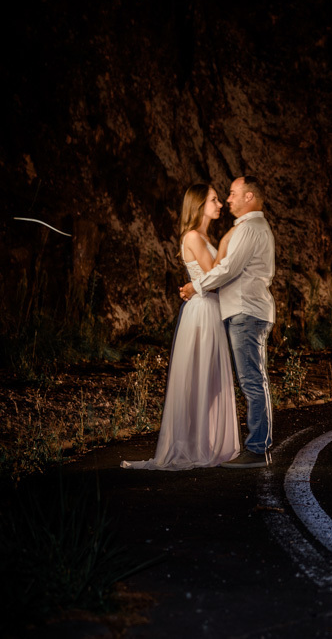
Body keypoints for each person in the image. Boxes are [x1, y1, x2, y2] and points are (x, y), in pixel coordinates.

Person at [122, 184, 240, 470]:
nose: (220, 204)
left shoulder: (204, 236)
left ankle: (203, 440)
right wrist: (233, 238)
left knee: (210, 379)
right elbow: (215, 272)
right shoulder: (193, 236)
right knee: (199, 377)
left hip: (210, 309)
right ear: (199, 205)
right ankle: (192, 444)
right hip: (202, 312)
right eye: (214, 200)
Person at [180, 175, 276, 469]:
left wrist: (196, 286)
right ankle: (238, 442)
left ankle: (258, 447)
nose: (227, 200)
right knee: (247, 379)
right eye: (220, 198)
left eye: (233, 194)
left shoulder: (249, 229)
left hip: (245, 311)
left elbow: (227, 269)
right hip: (238, 311)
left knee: (251, 380)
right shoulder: (246, 229)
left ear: (249, 197)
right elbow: (224, 266)